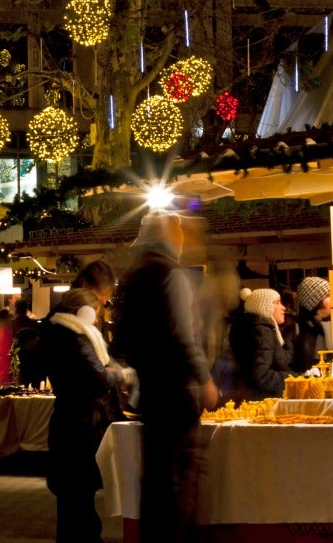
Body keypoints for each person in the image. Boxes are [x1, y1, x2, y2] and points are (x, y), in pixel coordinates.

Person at [112, 211, 217, 543]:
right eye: (181, 230)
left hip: (152, 393)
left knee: (155, 478)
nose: (185, 237)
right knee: (178, 479)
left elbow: (123, 337)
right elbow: (183, 335)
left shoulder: (134, 275)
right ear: (171, 235)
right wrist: (204, 378)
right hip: (176, 391)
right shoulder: (170, 274)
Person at [40, 288, 134, 543]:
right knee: (78, 490)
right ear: (85, 311)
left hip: (71, 420)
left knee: (73, 492)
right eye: (97, 313)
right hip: (81, 423)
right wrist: (121, 374)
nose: (98, 319)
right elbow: (97, 378)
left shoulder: (59, 332)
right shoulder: (76, 337)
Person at [229, 288, 292, 403]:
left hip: (257, 398)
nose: (283, 308)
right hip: (265, 401)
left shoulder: (258, 329)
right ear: (265, 307)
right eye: (277, 303)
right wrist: (294, 379)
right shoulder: (262, 332)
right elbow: (261, 375)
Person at [291, 276, 332, 373]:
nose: (332, 299)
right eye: (327, 296)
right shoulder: (301, 329)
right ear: (316, 302)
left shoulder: (329, 323)